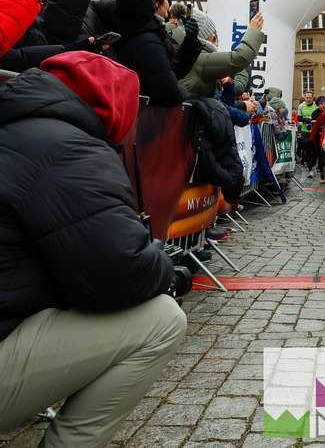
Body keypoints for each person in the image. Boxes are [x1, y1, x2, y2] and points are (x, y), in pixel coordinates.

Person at [0, 51, 186, 446]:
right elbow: (120, 275)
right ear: (117, 107)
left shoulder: (16, 130)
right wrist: (169, 269)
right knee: (161, 320)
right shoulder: (68, 148)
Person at [178, 8, 265, 99]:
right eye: (213, 34)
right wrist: (254, 31)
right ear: (204, 35)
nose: (215, 39)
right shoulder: (198, 56)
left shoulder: (184, 50)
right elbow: (238, 59)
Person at [296, 90, 318, 178]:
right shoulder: (301, 106)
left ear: (313, 98)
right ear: (304, 98)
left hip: (314, 131)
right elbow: (299, 118)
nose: (308, 99)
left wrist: (312, 121)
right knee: (307, 150)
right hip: (305, 131)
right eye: (307, 98)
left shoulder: (316, 106)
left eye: (310, 98)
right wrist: (306, 120)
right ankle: (310, 168)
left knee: (314, 150)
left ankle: (313, 165)